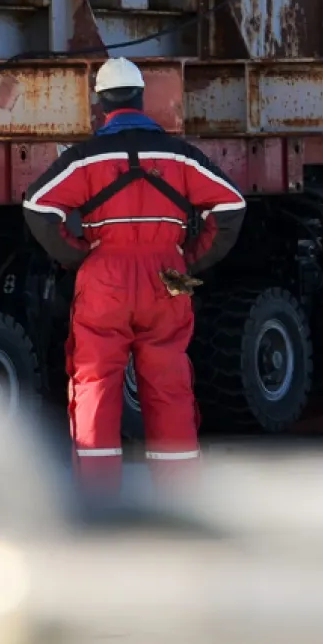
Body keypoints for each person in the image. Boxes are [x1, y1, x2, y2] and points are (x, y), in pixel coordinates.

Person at [23, 58, 244, 489]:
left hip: (105, 278)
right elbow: (231, 204)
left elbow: (37, 205)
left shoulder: (84, 158)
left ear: (102, 104)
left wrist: (77, 256)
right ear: (141, 99)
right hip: (167, 278)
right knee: (168, 385)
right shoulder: (180, 155)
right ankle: (178, 495)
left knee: (96, 384)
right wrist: (190, 259)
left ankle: (100, 497)